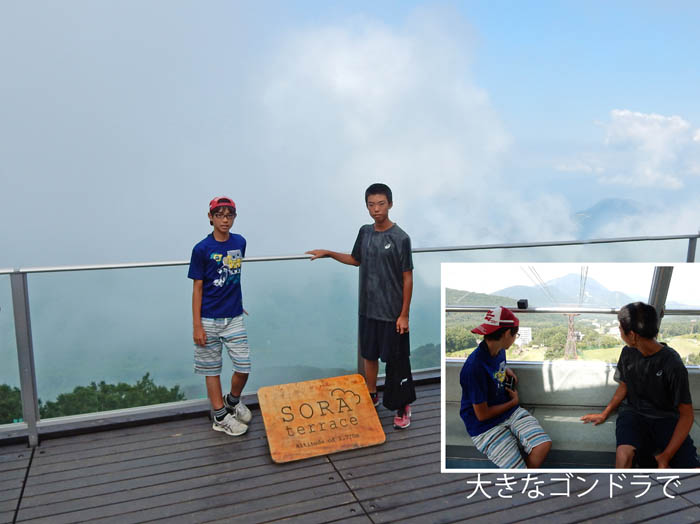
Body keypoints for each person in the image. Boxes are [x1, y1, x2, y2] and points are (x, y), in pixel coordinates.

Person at [306, 183, 416, 429]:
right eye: (371, 204)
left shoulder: (401, 238)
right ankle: (371, 394)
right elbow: (356, 260)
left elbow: (407, 277)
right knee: (369, 355)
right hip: (368, 308)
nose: (376, 209)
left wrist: (404, 314)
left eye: (381, 204)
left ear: (390, 204)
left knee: (396, 360)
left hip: (392, 313)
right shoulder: (365, 232)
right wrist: (329, 253)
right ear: (366, 206)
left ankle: (402, 405)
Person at [581, 302, 700, 468]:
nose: (619, 331)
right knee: (623, 455)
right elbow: (624, 386)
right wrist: (605, 413)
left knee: (693, 470)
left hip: (665, 418)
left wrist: (666, 456)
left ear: (633, 335)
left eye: (621, 328)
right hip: (633, 413)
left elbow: (687, 415)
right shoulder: (628, 353)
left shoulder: (672, 363)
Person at [188, 196, 253, 437]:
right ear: (210, 217)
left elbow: (233, 277)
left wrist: (238, 302)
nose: (225, 220)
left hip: (233, 316)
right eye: (220, 215)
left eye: (229, 215)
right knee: (211, 369)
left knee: (243, 366)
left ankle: (233, 401)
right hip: (208, 318)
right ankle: (219, 416)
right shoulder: (202, 249)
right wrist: (197, 325)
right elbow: (198, 287)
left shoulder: (240, 242)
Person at [460, 307, 551, 468]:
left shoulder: (499, 349)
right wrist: (514, 402)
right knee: (517, 469)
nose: (515, 338)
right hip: (484, 426)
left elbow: (495, 365)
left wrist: (505, 370)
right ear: (507, 333)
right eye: (516, 334)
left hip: (508, 412)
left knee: (542, 445)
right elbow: (482, 415)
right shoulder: (474, 367)